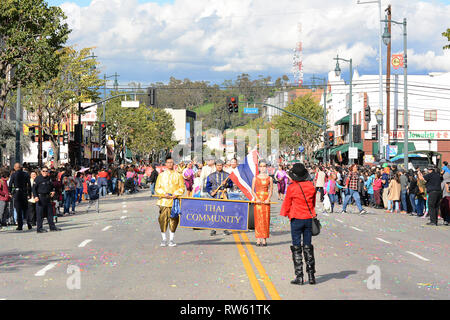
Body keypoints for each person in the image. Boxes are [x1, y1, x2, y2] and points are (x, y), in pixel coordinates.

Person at [280, 163, 317, 285]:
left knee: (296, 247)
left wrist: (285, 213)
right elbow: (313, 202)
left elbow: (287, 203)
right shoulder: (311, 186)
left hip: (296, 218)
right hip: (308, 218)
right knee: (308, 246)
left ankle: (299, 276)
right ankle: (311, 276)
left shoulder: (292, 187)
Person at [154, 157, 186, 247]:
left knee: (174, 220)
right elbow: (157, 188)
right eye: (168, 162)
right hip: (164, 201)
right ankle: (164, 239)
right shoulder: (161, 175)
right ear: (166, 164)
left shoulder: (178, 175)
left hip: (174, 201)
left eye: (171, 162)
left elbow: (182, 188)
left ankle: (171, 239)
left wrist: (176, 194)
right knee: (162, 219)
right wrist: (164, 194)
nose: (170, 164)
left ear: (174, 164)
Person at [205, 160, 233, 236]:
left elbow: (231, 185)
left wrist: (226, 184)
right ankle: (213, 229)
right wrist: (211, 192)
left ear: (223, 166)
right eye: (218, 165)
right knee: (214, 212)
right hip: (215, 195)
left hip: (224, 195)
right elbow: (207, 187)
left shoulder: (227, 175)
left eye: (220, 165)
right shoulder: (211, 176)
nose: (219, 167)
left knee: (225, 212)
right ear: (215, 166)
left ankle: (225, 228)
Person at [251, 160, 273, 247]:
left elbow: (271, 190)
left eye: (264, 166)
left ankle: (264, 239)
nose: (263, 168)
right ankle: (258, 239)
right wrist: (256, 198)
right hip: (258, 200)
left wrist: (268, 198)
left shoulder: (270, 178)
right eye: (261, 166)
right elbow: (253, 191)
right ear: (259, 167)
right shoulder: (255, 178)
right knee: (258, 219)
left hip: (266, 200)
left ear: (266, 167)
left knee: (265, 219)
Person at [33, 167, 61, 233]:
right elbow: (34, 189)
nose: (45, 172)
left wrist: (53, 191)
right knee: (40, 214)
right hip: (40, 198)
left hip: (47, 198)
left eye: (46, 171)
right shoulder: (37, 179)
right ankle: (39, 228)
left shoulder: (49, 178)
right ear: (41, 172)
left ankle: (52, 227)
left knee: (50, 213)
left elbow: (52, 187)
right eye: (43, 171)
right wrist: (35, 196)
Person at [8, 163, 31, 230]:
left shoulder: (14, 174)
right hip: (24, 192)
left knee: (18, 210)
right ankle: (28, 223)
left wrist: (10, 192)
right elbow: (29, 184)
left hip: (17, 193)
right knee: (26, 209)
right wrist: (29, 193)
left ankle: (20, 225)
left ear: (15, 167)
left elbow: (10, 184)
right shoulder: (26, 174)